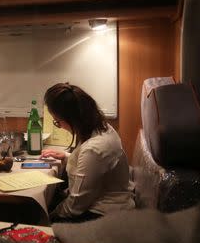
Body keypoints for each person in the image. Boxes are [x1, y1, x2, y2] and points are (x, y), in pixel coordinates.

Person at [41, 82, 135, 223]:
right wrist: (66, 157)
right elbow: (94, 167)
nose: (59, 127)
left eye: (57, 122)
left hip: (103, 214)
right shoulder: (102, 128)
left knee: (35, 213)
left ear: (72, 118)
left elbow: (75, 205)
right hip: (103, 204)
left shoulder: (94, 148)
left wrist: (49, 218)